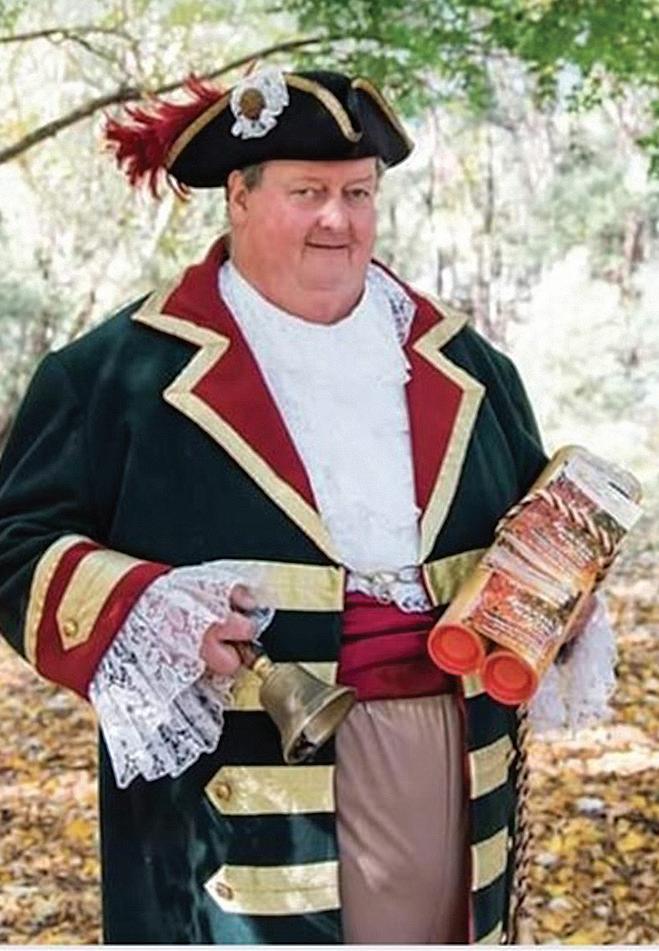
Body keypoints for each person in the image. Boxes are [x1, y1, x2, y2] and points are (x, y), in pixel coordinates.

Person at [0, 65, 606, 945]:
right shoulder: (110, 375)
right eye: (307, 192)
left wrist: (562, 604)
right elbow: (17, 542)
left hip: (446, 755)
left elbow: (533, 547)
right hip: (224, 795)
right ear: (238, 198)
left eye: (357, 193)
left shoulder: (471, 367)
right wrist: (147, 610)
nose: (338, 219)